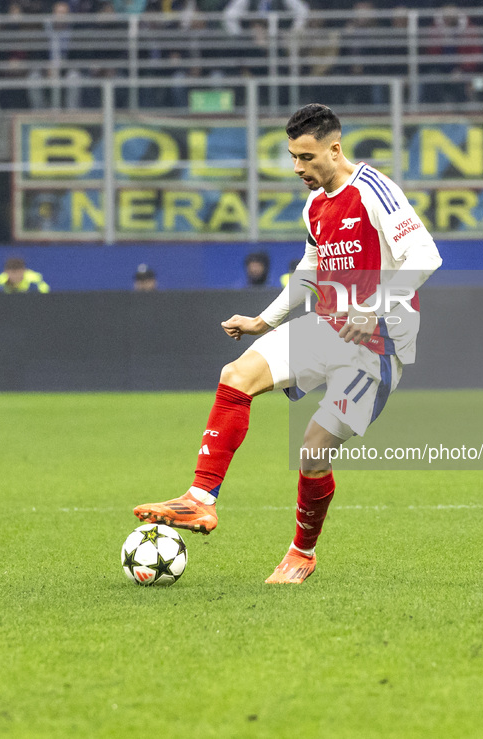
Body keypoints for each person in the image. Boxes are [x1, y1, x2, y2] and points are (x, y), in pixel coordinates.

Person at [134, 104, 442, 584]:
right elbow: (309, 273)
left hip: (377, 344)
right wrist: (264, 320)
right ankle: (199, 500)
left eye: (305, 156)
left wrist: (374, 306)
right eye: (292, 157)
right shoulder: (314, 205)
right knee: (235, 376)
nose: (297, 168)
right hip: (327, 325)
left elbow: (425, 254)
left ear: (334, 149)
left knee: (313, 451)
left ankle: (302, 552)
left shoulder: (374, 190)